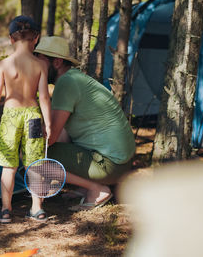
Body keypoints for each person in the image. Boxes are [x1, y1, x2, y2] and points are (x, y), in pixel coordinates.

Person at [33, 36, 136, 211]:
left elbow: (50, 139)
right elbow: (63, 133)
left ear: (57, 62)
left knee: (33, 151)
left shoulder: (66, 83)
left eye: (40, 60)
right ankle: (85, 185)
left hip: (109, 166)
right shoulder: (75, 78)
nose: (36, 66)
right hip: (122, 165)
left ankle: (97, 189)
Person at [0, 16, 52, 223]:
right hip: (33, 116)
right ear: (37, 38)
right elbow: (44, 96)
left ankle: (6, 210)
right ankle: (36, 209)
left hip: (11, 118)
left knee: (9, 166)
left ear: (11, 39)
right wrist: (48, 123)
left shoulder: (4, 64)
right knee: (34, 163)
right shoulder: (40, 64)